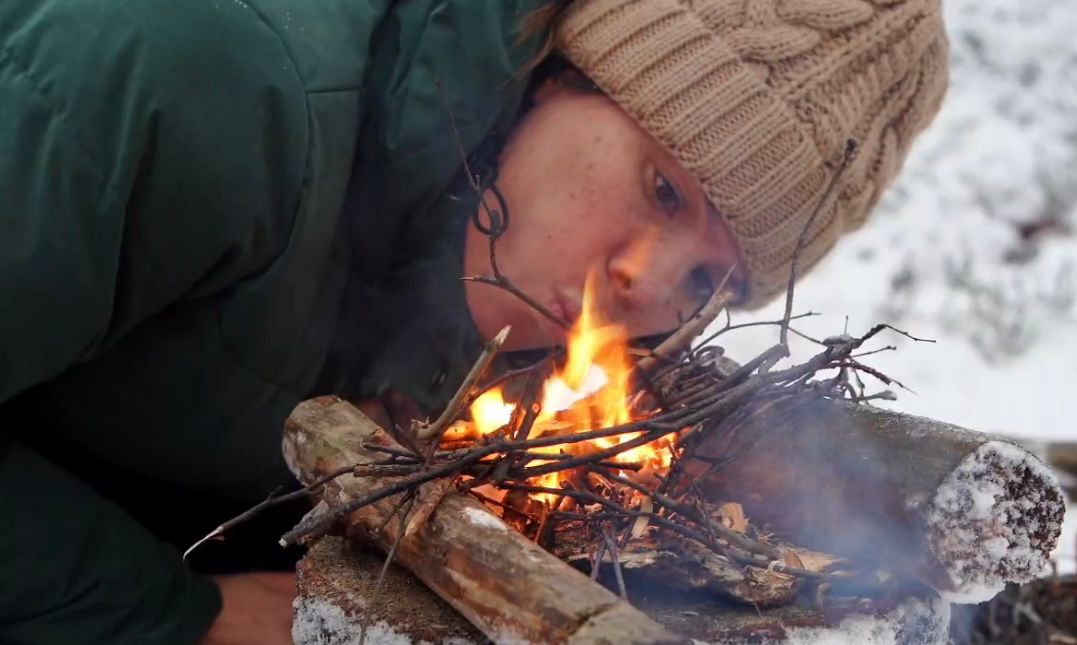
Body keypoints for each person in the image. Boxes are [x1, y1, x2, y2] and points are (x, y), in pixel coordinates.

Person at [0, 0, 948, 642]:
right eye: (661, 189)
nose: (640, 284)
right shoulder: (212, 81)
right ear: (562, 77)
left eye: (708, 275)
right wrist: (174, 616)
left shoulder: (519, 338)